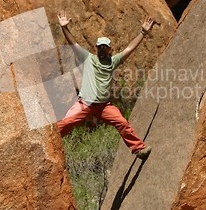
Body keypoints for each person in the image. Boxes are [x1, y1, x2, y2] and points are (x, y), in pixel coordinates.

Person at [56, 11, 153, 160]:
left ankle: (139, 150)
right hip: (85, 104)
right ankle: (51, 146)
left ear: (109, 49)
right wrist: (64, 28)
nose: (102, 49)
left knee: (122, 122)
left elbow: (129, 49)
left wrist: (143, 32)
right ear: (96, 48)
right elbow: (73, 43)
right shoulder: (88, 58)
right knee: (65, 123)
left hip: (103, 106)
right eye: (100, 47)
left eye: (104, 47)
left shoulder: (113, 62)